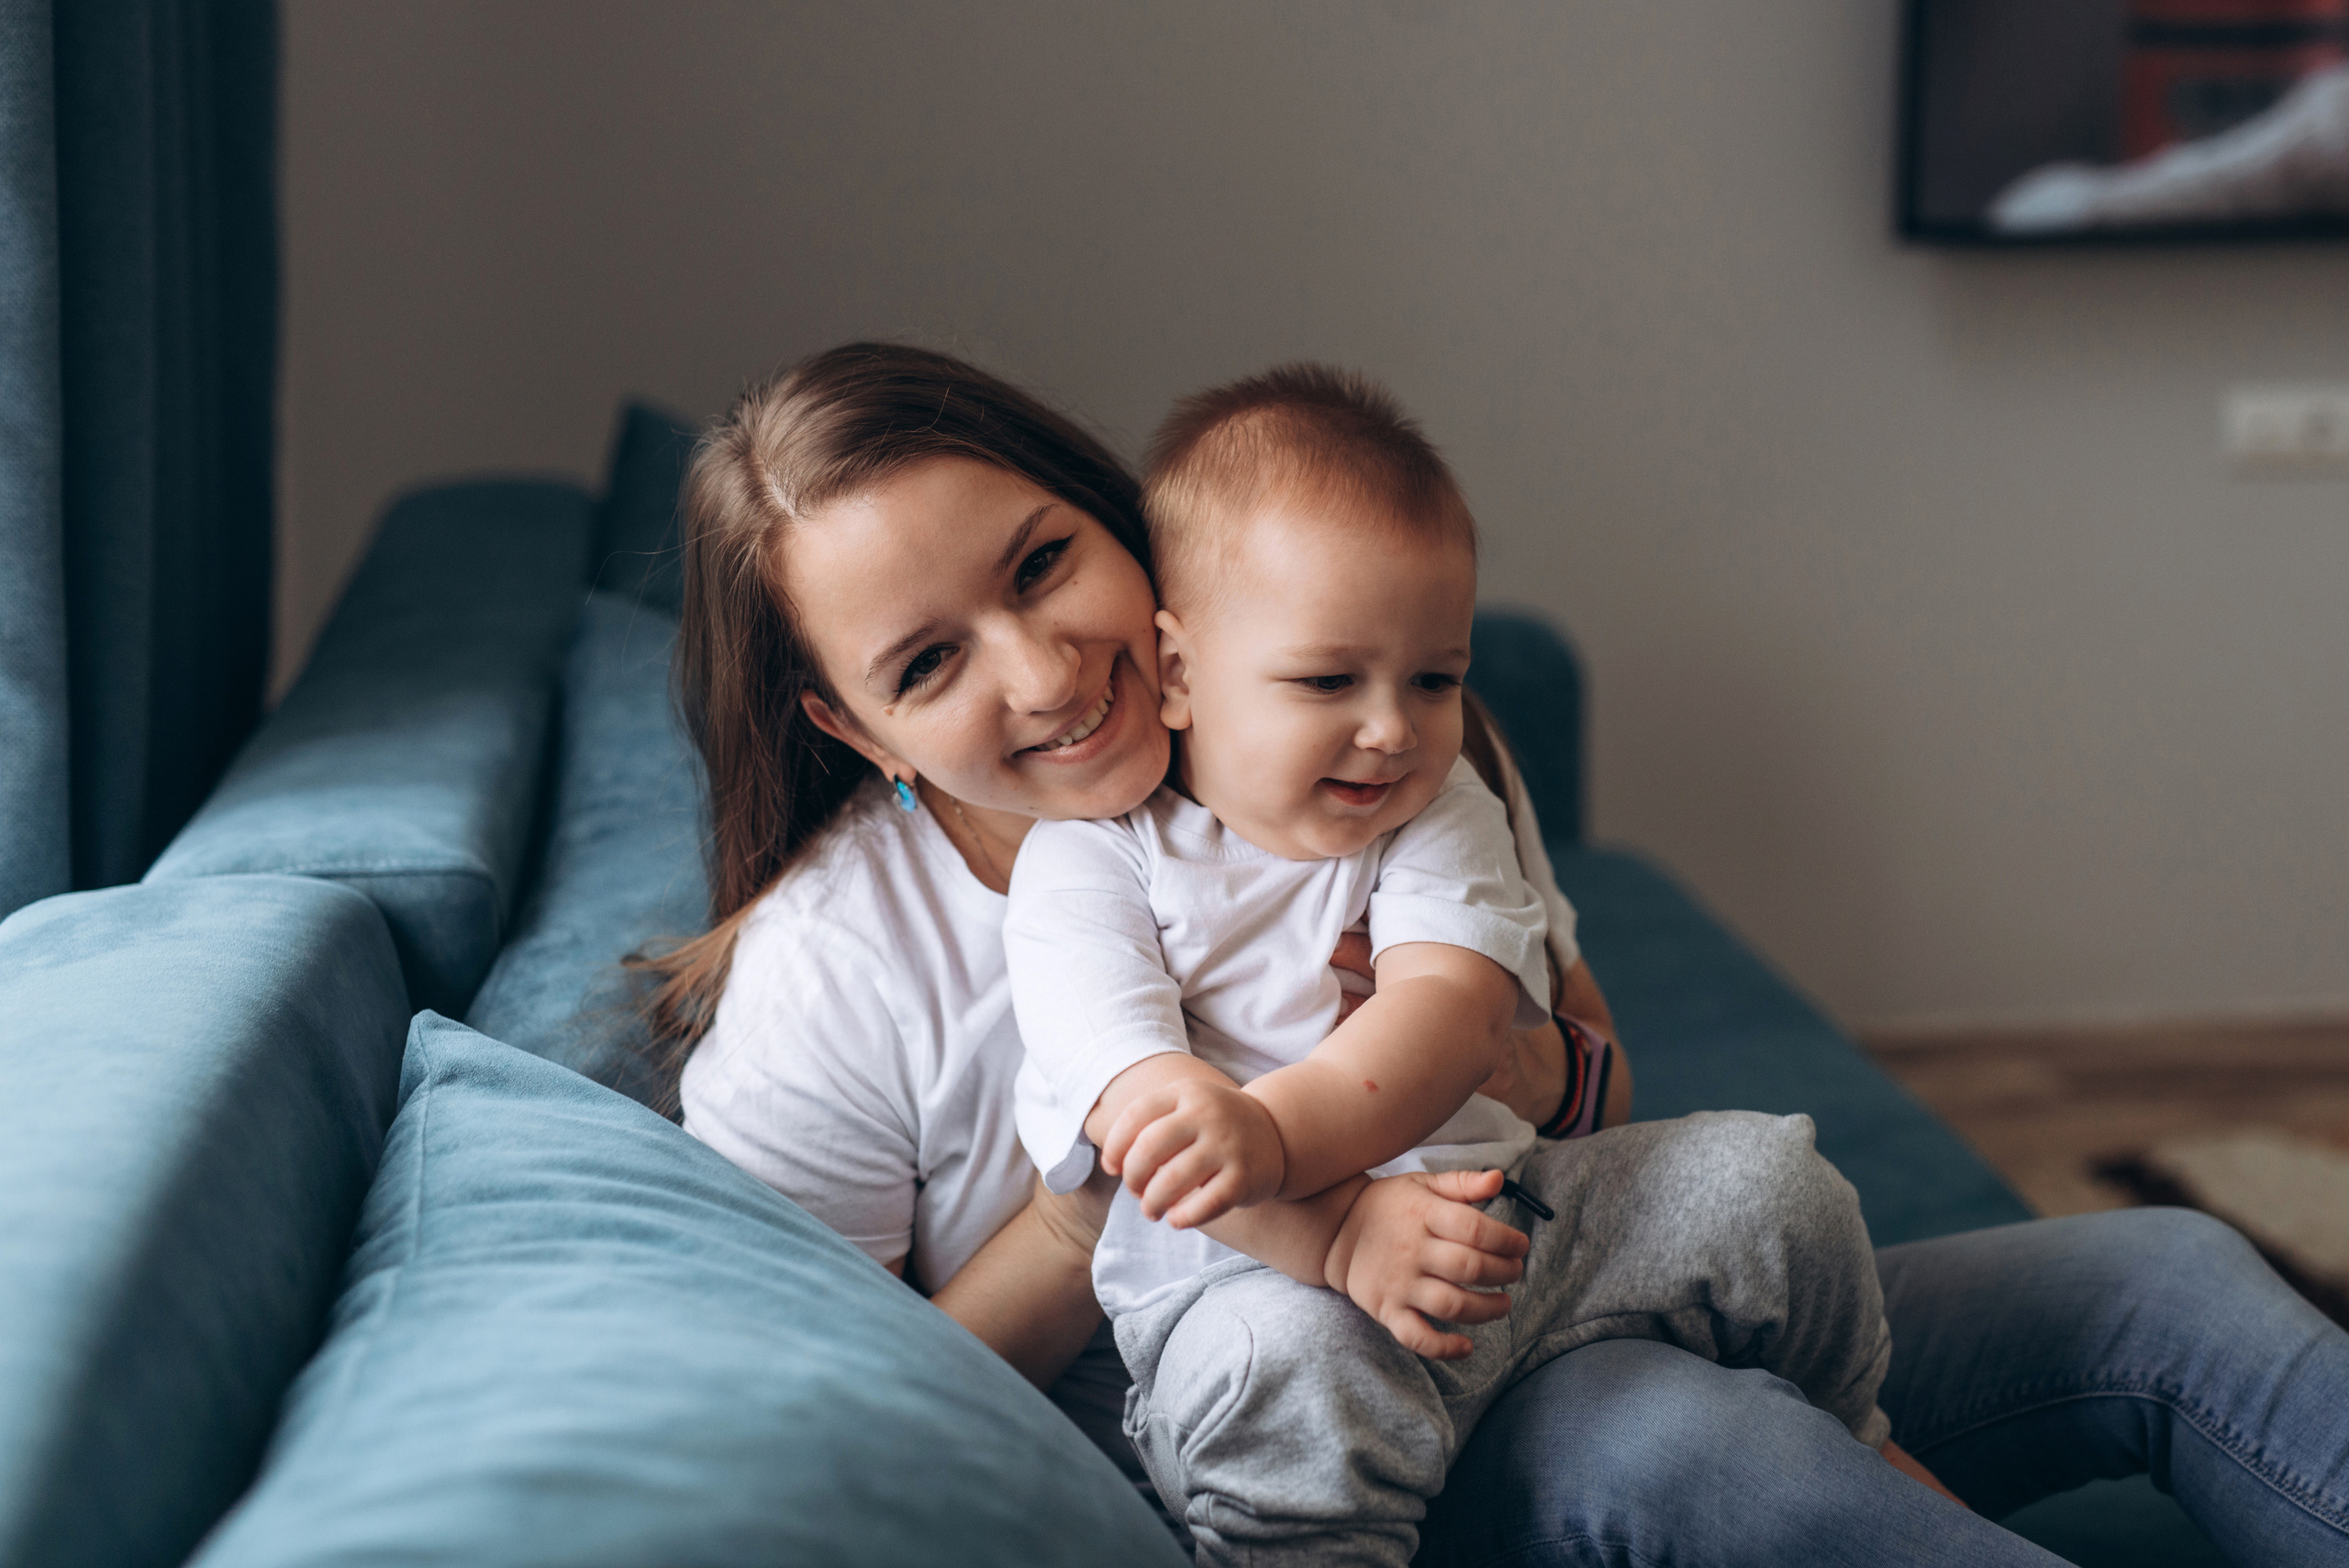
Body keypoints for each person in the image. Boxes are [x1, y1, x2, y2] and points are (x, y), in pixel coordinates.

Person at [654, 340, 2349, 1564]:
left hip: (1536, 1284)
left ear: (1134, 552)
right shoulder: (830, 975)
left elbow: (1598, 1097)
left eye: (1044, 564)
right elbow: (854, 1419)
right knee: (1686, 1440)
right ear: (847, 720)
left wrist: (1504, 1054)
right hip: (1282, 1439)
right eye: (931, 659)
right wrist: (1169, 1197)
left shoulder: (1366, 723)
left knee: (2169, 1282)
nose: (1042, 671)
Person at [1002, 364, 1894, 1564]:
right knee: (1285, 1374)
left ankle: (1857, 1438)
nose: (1392, 726)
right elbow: (1147, 1113)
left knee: (1774, 1181)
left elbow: (1450, 1008)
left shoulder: (1437, 804)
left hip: (1509, 1240)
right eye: (1330, 679)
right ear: (1175, 671)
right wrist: (1337, 1231)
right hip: (1258, 1282)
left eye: (1435, 676)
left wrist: (1289, 1134)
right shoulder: (1088, 865)